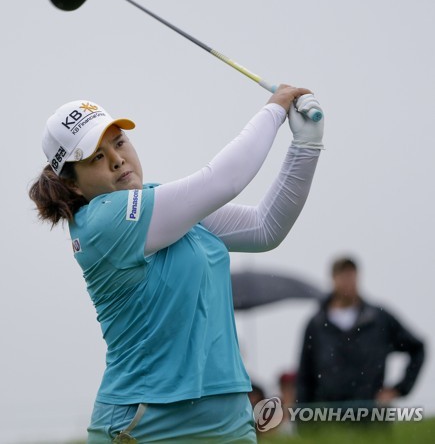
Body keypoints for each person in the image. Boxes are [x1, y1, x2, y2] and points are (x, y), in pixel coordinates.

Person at [29, 85, 324, 443]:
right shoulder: (103, 222)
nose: (117, 159)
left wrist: (306, 145)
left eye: (119, 143)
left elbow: (265, 228)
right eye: (96, 157)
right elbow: (223, 180)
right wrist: (274, 110)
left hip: (228, 419)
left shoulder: (161, 204)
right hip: (146, 423)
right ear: (72, 184)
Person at [296, 256, 425, 416]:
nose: (348, 281)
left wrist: (398, 389)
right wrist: (302, 417)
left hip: (371, 416)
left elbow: (417, 348)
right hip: (328, 417)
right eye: (343, 275)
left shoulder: (379, 319)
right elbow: (305, 374)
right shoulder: (317, 324)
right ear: (333, 279)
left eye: (351, 275)